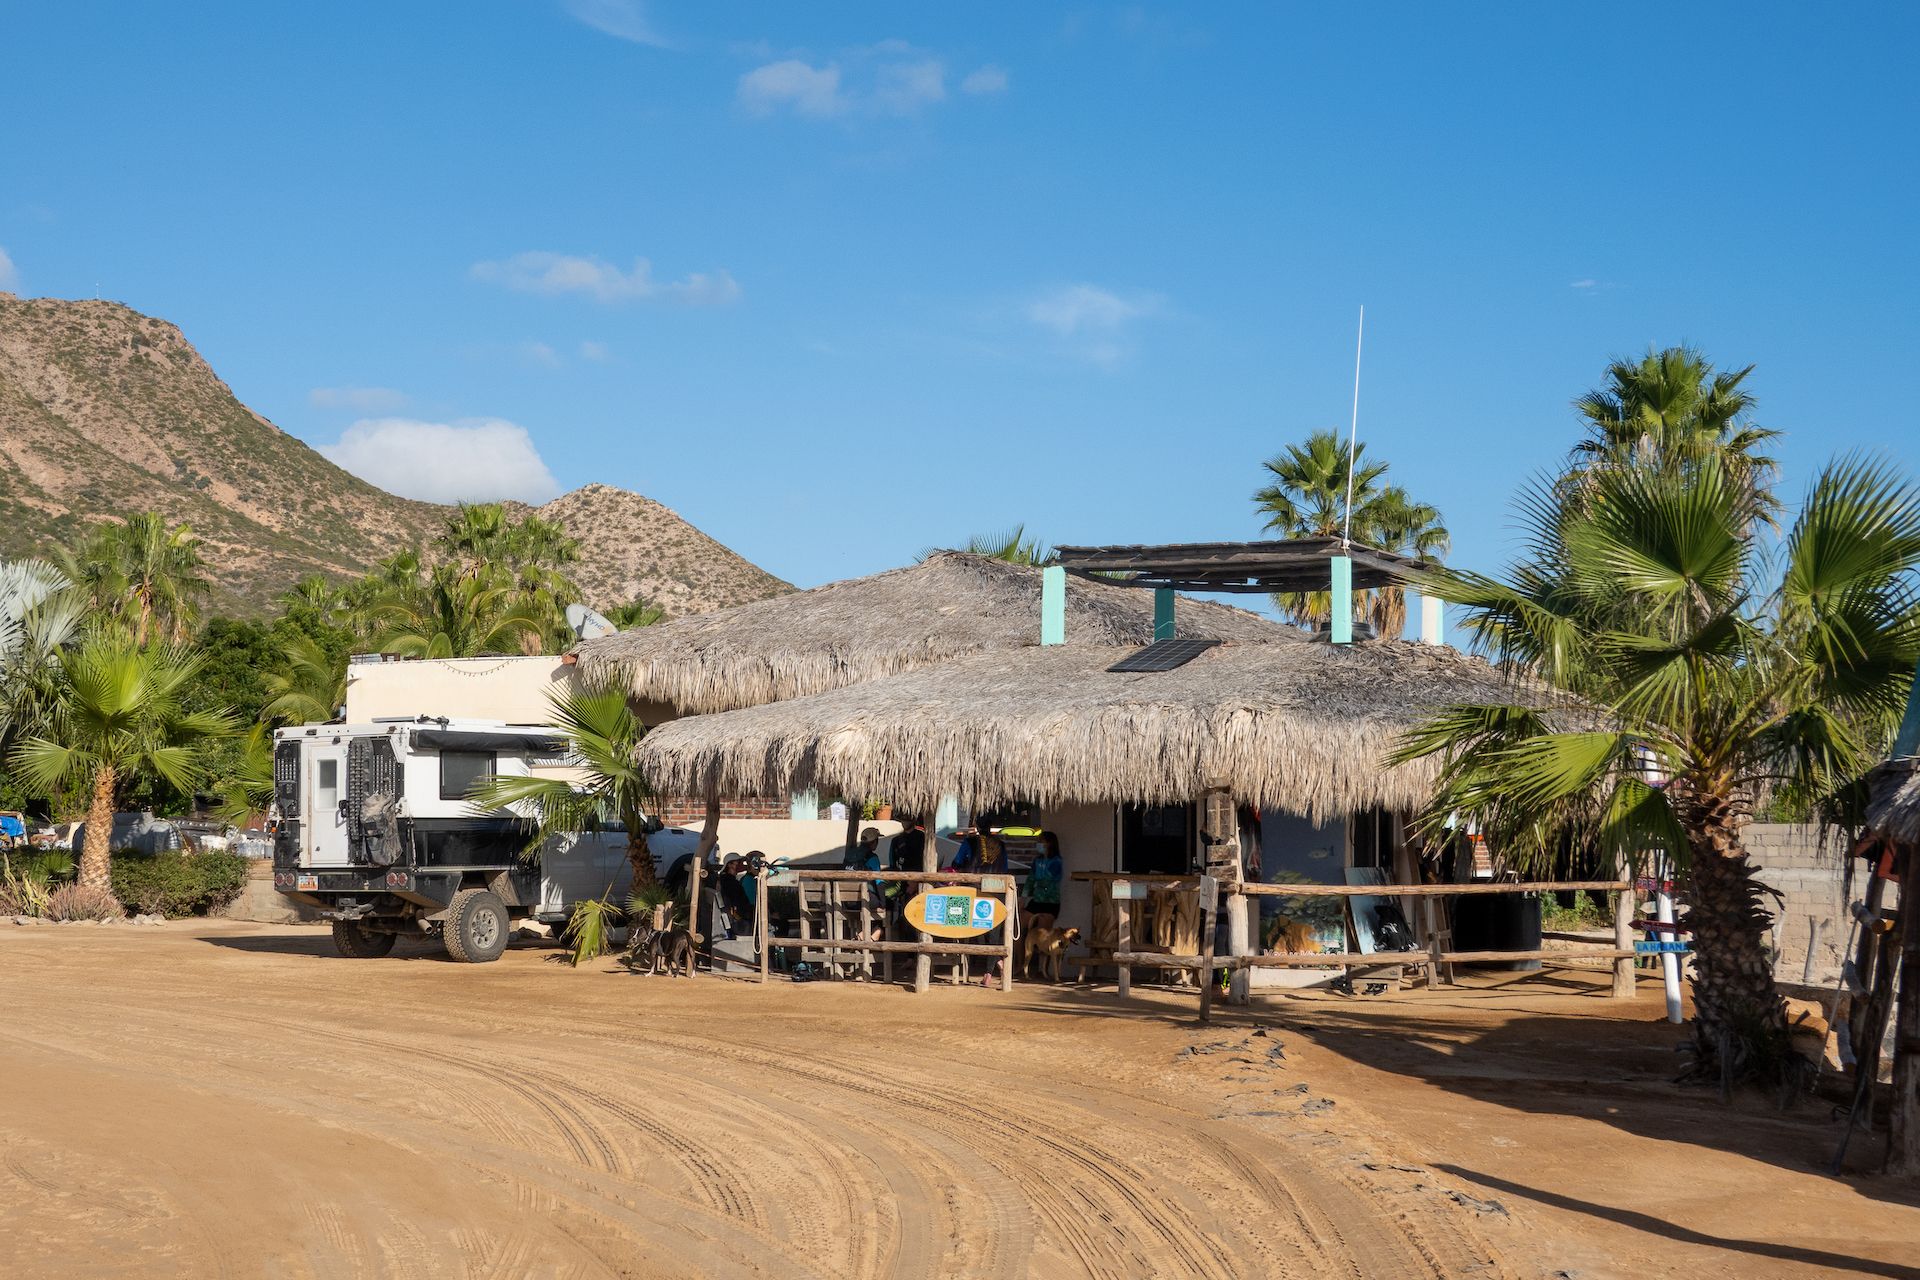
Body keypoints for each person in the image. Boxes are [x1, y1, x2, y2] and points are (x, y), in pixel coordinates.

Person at [1024, 830, 1064, 932]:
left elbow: (1048, 880)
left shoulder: (1056, 861)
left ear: (1049, 843)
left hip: (1050, 902)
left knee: (1041, 931)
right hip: (1037, 900)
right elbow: (1030, 879)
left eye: (1041, 841)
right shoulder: (1037, 861)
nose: (1039, 844)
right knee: (1021, 923)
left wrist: (1037, 885)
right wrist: (1023, 897)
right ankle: (1020, 948)